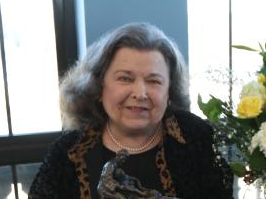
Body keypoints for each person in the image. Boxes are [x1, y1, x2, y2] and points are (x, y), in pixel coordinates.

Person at [29, 22, 233, 199]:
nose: (140, 93)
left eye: (154, 81)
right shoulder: (66, 154)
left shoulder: (196, 138)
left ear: (169, 92)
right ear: (98, 86)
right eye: (125, 78)